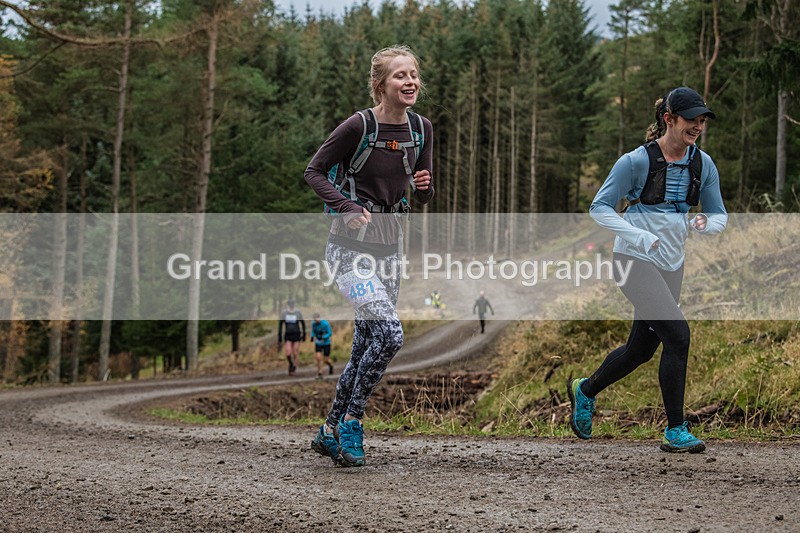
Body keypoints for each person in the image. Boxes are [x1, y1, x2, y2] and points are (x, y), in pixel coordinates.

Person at [569, 87, 727, 453]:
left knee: (640, 350)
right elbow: (600, 207)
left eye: (702, 120)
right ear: (669, 120)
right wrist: (638, 235)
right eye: (691, 119)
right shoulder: (635, 162)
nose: (698, 126)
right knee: (678, 335)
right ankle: (675, 430)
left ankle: (586, 389)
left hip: (672, 265)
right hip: (632, 261)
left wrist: (704, 223)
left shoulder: (703, 165)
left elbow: (719, 216)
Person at [304, 45, 434, 466]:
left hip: (389, 251)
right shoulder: (357, 126)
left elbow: (425, 194)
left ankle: (328, 430)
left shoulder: (422, 129)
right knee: (391, 335)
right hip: (348, 251)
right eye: (400, 75)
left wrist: (424, 186)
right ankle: (352, 422)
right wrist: (345, 206)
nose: (410, 81)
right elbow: (314, 171)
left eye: (413, 74)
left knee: (366, 345)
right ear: (381, 85)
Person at [278, 299, 305, 376]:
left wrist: (304, 334)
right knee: (288, 353)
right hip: (288, 335)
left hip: (296, 334)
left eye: (292, 304)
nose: (291, 305)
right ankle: (291, 363)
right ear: (288, 305)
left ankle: (294, 367)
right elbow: (280, 324)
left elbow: (302, 323)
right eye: (290, 304)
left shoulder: (298, 312)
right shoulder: (284, 313)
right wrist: (279, 335)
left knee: (295, 352)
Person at [310, 313, 334, 379]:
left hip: (326, 343)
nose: (316, 321)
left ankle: (330, 365)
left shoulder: (325, 323)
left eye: (317, 319)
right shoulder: (314, 324)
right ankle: (320, 372)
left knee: (326, 360)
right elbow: (313, 331)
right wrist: (312, 336)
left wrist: (324, 337)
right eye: (315, 320)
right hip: (318, 343)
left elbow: (330, 333)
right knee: (318, 357)